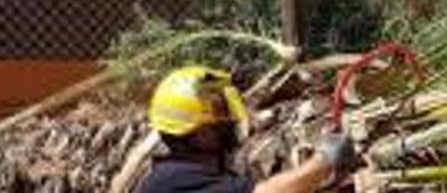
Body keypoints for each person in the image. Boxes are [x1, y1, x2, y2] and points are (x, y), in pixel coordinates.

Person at [138, 66, 355, 193]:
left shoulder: (180, 174)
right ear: (199, 134)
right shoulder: (175, 181)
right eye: (220, 114)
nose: (229, 121)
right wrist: (324, 161)